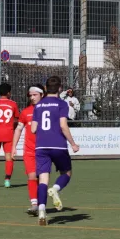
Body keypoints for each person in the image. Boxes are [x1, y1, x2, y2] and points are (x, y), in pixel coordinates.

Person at [31, 76, 80, 226]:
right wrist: (73, 143)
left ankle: (41, 210)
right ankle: (56, 189)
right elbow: (63, 125)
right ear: (60, 89)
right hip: (58, 145)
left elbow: (33, 129)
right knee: (66, 173)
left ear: (45, 89)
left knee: (43, 179)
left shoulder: (38, 106)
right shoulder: (62, 103)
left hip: (41, 147)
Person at [12, 83, 45, 215]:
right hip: (29, 151)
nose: (32, 97)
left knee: (41, 178)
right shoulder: (25, 112)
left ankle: (41, 203)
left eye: (35, 95)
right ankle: (34, 205)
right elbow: (18, 129)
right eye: (30, 95)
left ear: (42, 95)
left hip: (44, 151)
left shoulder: (47, 110)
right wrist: (13, 147)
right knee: (32, 176)